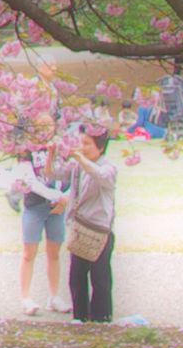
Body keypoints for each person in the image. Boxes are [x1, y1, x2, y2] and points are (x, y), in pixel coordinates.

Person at [59, 124, 119, 324]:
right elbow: (55, 174)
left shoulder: (108, 168)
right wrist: (52, 154)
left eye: (87, 144)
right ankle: (80, 317)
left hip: (99, 230)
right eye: (81, 143)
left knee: (100, 278)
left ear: (100, 148)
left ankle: (102, 318)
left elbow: (100, 176)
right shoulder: (78, 167)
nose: (82, 147)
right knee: (76, 276)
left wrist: (81, 159)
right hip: (80, 228)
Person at [10, 135, 71, 316]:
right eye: (40, 126)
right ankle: (25, 298)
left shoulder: (61, 147)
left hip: (56, 209)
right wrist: (55, 195)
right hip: (35, 207)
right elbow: (31, 182)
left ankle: (54, 296)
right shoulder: (27, 151)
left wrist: (64, 197)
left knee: (54, 253)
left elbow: (69, 174)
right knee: (29, 253)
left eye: (48, 125)